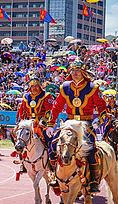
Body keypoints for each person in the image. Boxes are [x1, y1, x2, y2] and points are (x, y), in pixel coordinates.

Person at [46, 58, 108, 193]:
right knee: (52, 146)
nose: (75, 73)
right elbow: (56, 107)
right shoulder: (65, 87)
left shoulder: (93, 88)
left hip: (86, 124)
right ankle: (54, 176)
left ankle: (94, 181)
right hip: (69, 123)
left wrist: (99, 120)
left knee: (91, 150)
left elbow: (103, 108)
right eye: (73, 70)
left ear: (83, 72)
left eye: (78, 70)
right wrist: (51, 124)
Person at [15, 74, 54, 173]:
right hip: (28, 124)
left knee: (50, 140)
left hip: (41, 124)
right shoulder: (26, 96)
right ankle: (23, 162)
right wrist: (21, 121)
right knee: (19, 138)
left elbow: (49, 110)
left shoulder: (46, 95)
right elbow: (22, 110)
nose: (34, 88)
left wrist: (44, 120)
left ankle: (51, 163)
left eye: (36, 86)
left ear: (40, 86)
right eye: (32, 86)